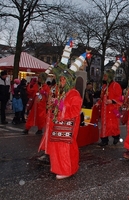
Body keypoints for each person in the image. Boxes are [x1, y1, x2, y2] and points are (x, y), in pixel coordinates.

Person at [43, 48, 84, 180]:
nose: (61, 82)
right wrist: (55, 105)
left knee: (64, 147)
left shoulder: (74, 94)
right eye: (60, 80)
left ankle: (66, 170)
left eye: (63, 80)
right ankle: (62, 168)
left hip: (68, 125)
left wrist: (61, 106)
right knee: (57, 146)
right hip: (60, 123)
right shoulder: (64, 93)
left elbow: (75, 111)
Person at [96, 65, 123, 146]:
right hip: (105, 110)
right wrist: (98, 103)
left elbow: (120, 97)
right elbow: (102, 97)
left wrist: (112, 101)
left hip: (112, 109)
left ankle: (116, 136)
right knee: (104, 125)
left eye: (105, 76)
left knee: (113, 125)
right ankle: (104, 140)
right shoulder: (104, 86)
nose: (104, 77)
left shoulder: (116, 85)